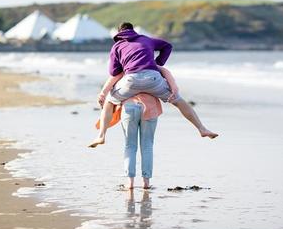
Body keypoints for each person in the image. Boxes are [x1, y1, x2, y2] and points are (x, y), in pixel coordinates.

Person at [89, 23, 218, 148]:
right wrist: (157, 63)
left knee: (109, 102)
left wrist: (103, 93)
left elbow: (113, 73)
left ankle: (101, 135)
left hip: (131, 81)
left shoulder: (117, 46)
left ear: (119, 33)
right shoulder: (146, 40)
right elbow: (167, 46)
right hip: (153, 78)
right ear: (133, 31)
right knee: (179, 101)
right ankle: (202, 129)